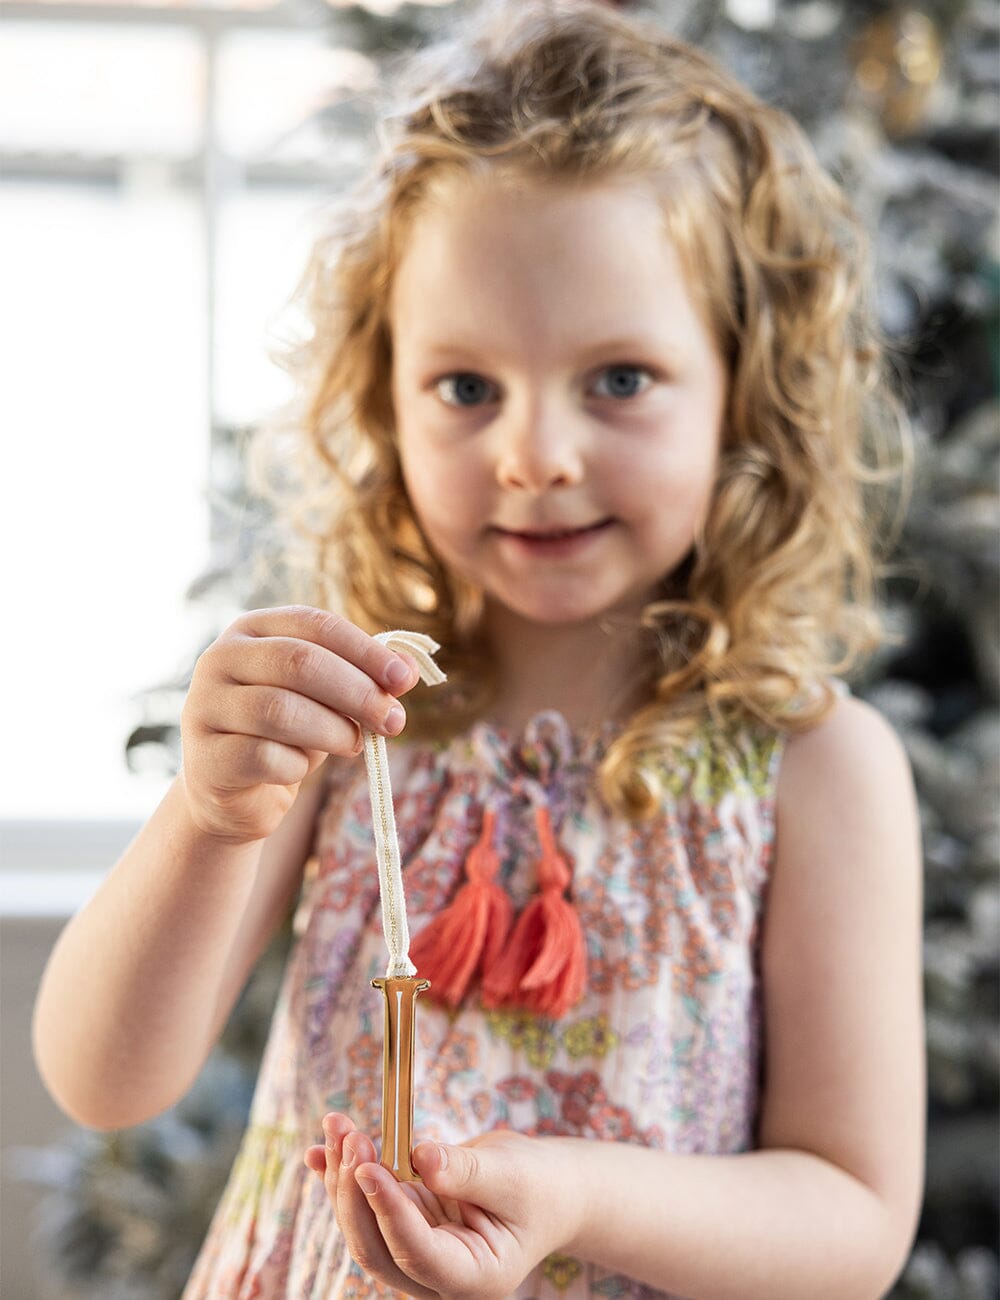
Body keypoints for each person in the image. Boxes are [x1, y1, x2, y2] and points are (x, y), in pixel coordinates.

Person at [33, 1, 926, 1296]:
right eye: (466, 388)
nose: (535, 456)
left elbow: (849, 1218)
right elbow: (101, 1077)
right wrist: (207, 816)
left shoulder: (819, 769)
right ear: (385, 399)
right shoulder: (344, 722)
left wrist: (572, 1196)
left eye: (619, 378)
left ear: (743, 383)